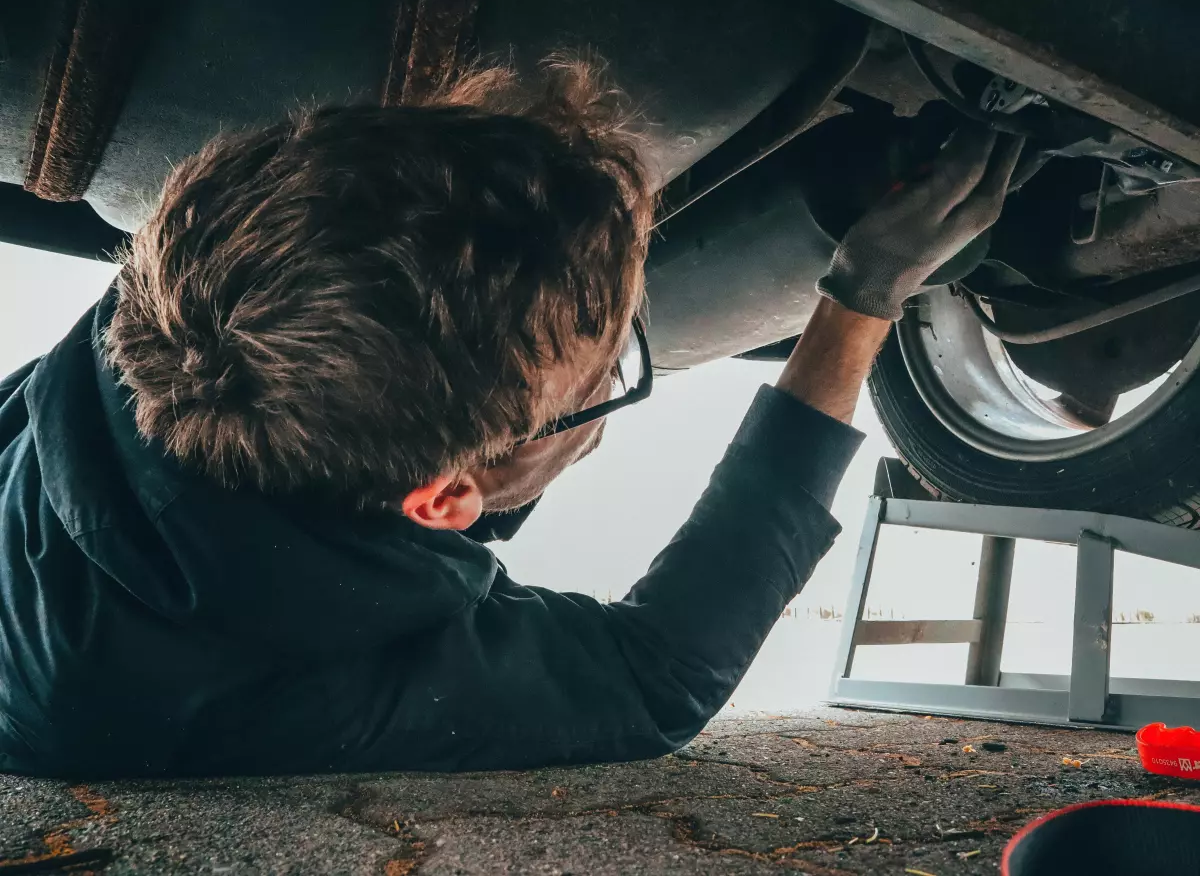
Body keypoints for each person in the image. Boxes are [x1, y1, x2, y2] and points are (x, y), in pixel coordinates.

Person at [0, 60, 1022, 777]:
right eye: (603, 378)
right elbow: (657, 677)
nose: (611, 379)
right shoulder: (265, 689)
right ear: (443, 498)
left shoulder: (196, 294)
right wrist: (860, 299)